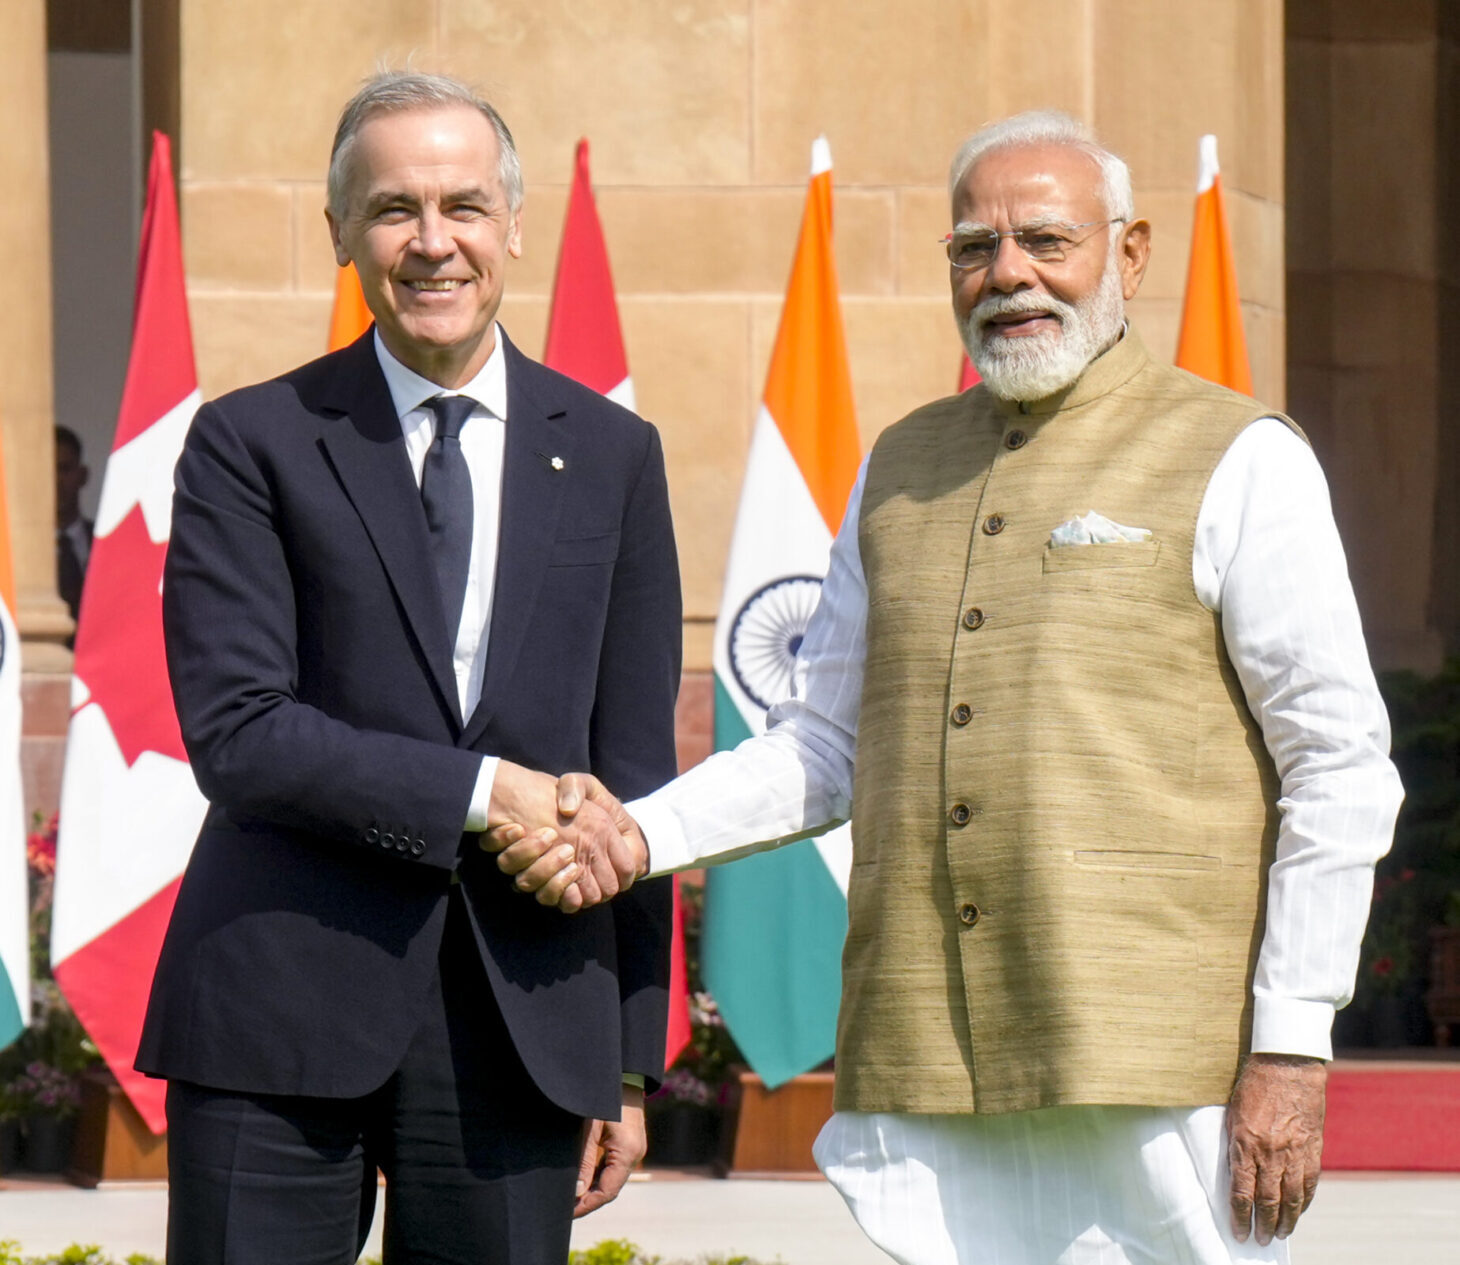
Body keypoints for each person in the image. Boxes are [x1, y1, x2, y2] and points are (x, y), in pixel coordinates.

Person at [493, 112, 1403, 1265]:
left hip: (1163, 1065)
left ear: (1128, 254)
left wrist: (1289, 1043)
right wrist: (638, 831)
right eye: (973, 247)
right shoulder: (896, 466)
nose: (1006, 274)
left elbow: (1335, 764)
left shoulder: (1241, 457)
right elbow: (822, 745)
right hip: (930, 1047)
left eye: (1043, 239)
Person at [136, 71, 681, 1265]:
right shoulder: (249, 441)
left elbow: (632, 772)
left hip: (523, 1019)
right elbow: (239, 730)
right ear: (340, 231)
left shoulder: (613, 455)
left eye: (464, 206)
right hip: (272, 1008)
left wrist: (627, 1054)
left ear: (513, 228)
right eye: (392, 209)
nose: (432, 242)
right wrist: (489, 792)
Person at [54, 424, 93, 626]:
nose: (56, 480)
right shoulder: (20, 553)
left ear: (83, 475)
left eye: (64, 469)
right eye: (48, 470)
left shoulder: (102, 544)